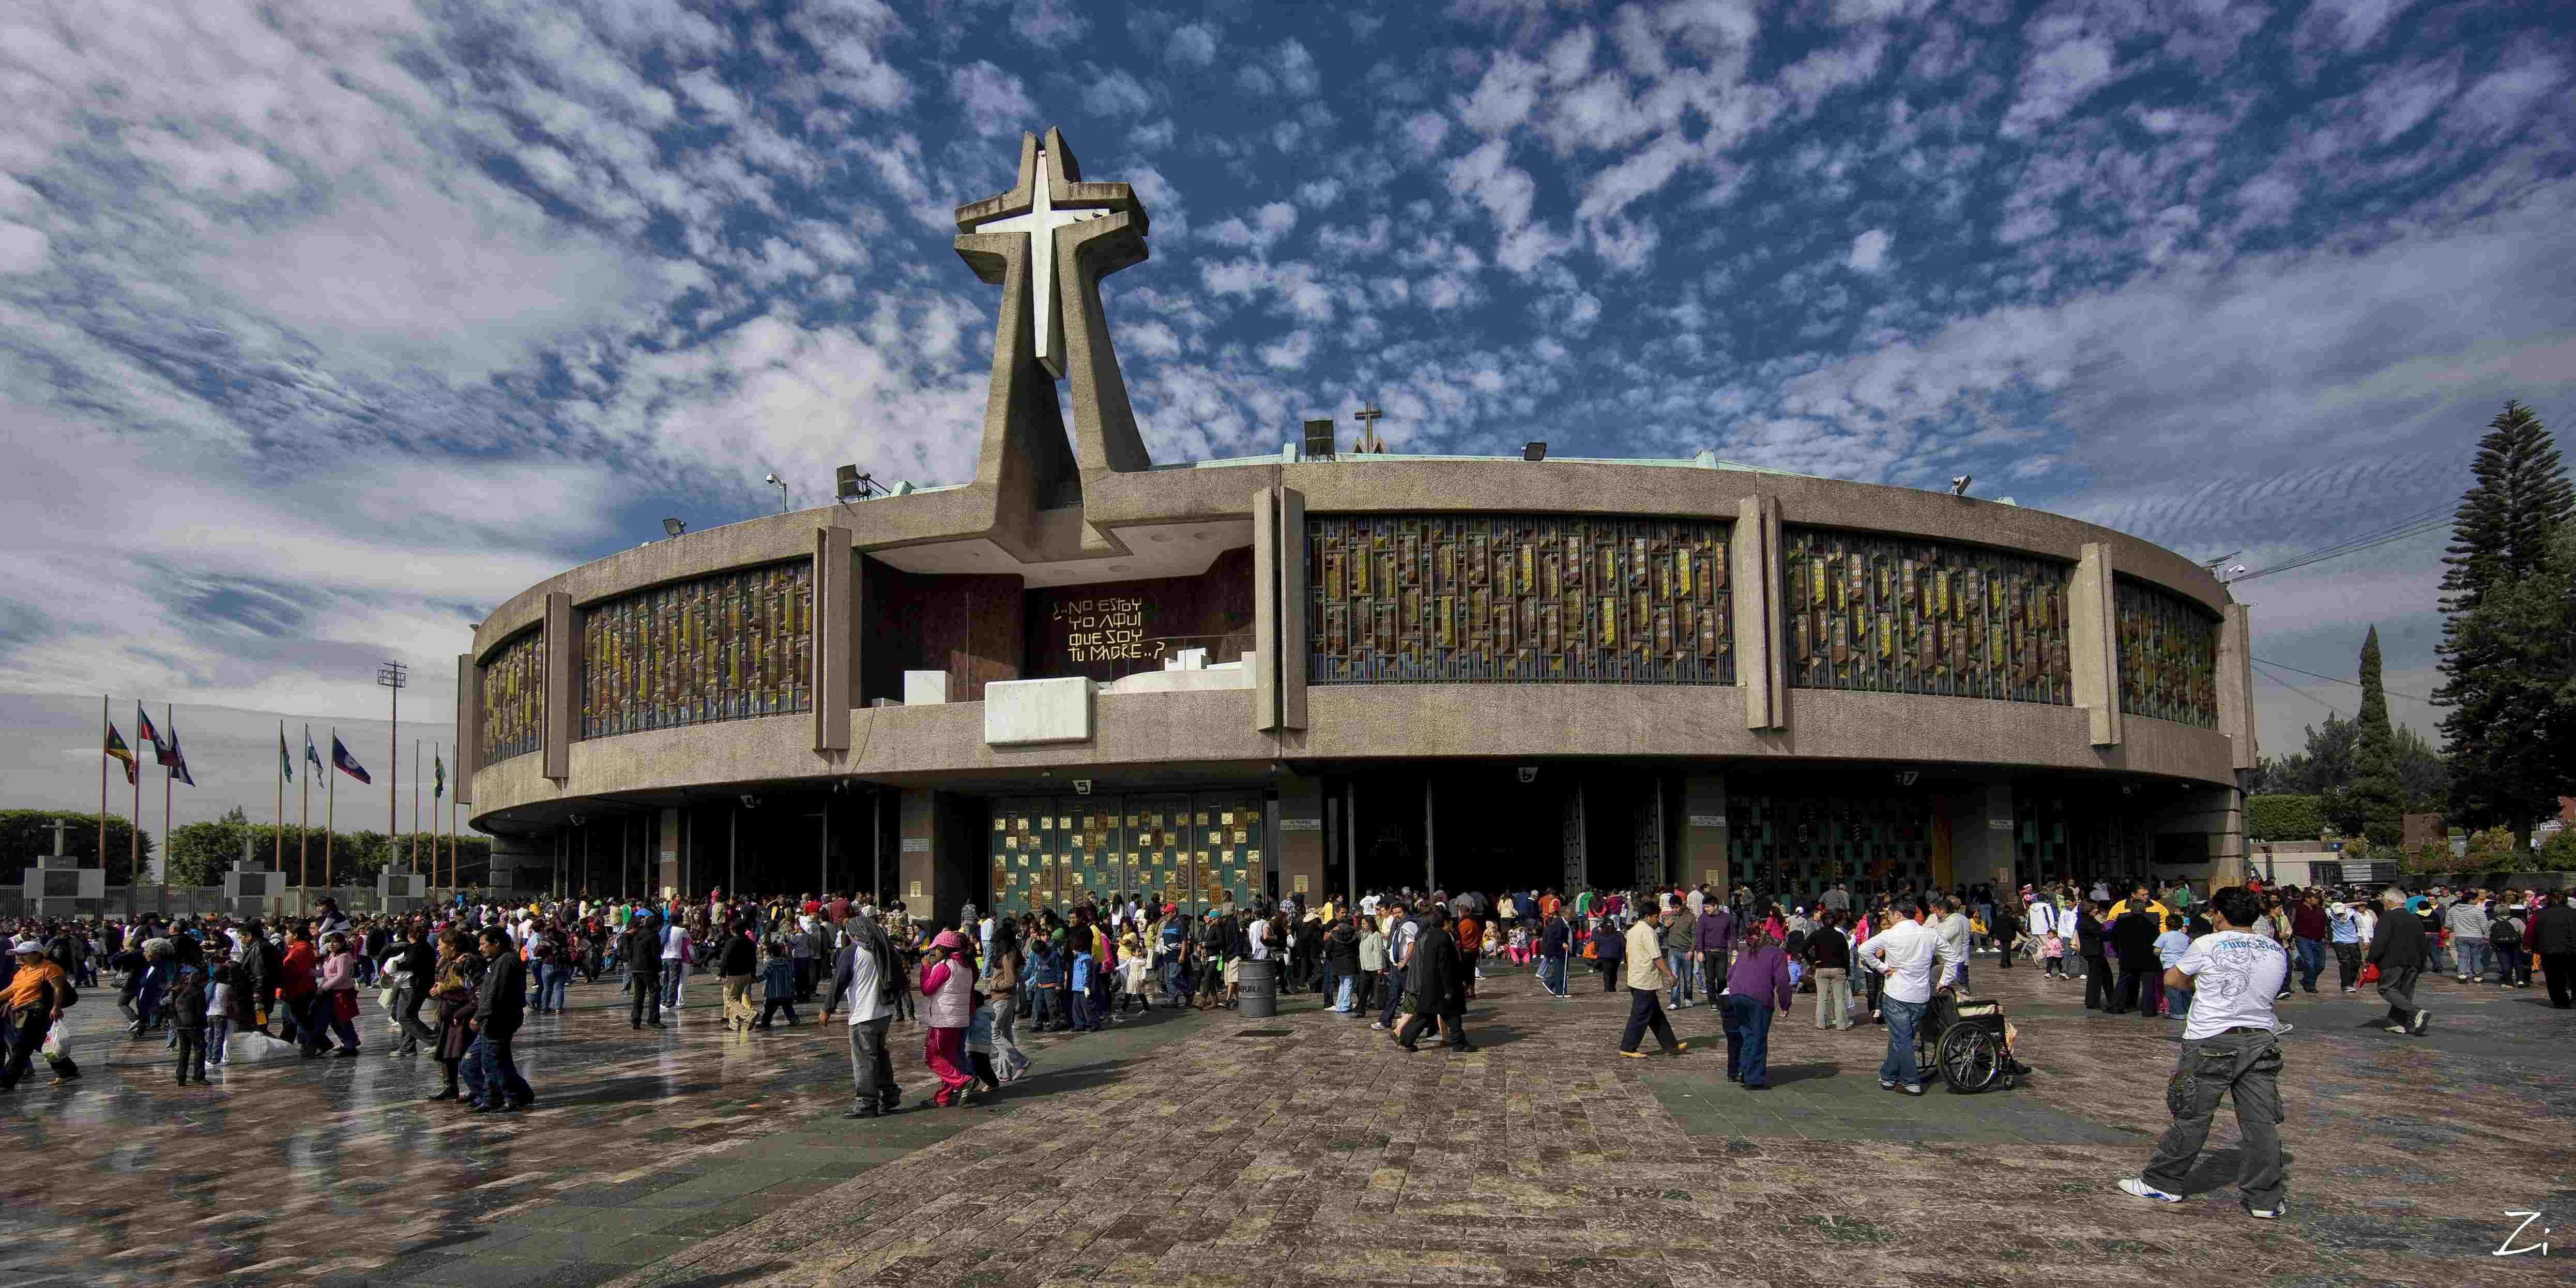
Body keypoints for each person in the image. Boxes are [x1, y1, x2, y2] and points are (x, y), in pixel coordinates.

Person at [2118, 886, 2290, 1220]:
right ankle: (2264, 1199)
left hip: (2211, 1040)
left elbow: (2173, 979)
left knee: (2193, 1116)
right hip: (2260, 1039)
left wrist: (2196, 986)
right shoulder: (2274, 948)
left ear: (2219, 915)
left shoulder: (2207, 943)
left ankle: (2163, 1181)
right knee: (2260, 1124)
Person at [1857, 898, 1956, 1096]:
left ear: (1898, 914)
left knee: (1902, 1039)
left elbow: (1864, 950)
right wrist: (1945, 980)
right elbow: (1953, 957)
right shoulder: (1929, 933)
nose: (1889, 918)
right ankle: (1888, 1076)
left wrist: (1882, 968)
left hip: (1897, 993)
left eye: (1890, 915)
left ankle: (1911, 1082)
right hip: (1920, 995)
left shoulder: (1890, 934)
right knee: (1902, 1037)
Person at [834, 910, 905, 1117]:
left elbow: (838, 982)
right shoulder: (885, 948)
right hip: (884, 1012)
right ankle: (889, 1093)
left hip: (863, 1014)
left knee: (864, 1060)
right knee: (879, 1055)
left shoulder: (853, 952)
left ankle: (866, 1103)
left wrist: (827, 1009)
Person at [462, 927, 534, 1113]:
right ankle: (494, 1098)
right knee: (492, 1061)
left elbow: (495, 994)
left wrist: (479, 1016)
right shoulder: (498, 961)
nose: (480, 949)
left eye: (484, 944)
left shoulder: (506, 961)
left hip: (499, 1021)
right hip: (492, 1021)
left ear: (497, 943)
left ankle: (513, 1097)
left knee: (495, 1062)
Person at [1, 937, 79, 1090]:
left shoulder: (49, 968)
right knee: (41, 1044)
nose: (19, 957)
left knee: (21, 1048)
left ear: (37, 954)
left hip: (36, 1012)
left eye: (23, 954)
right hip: (21, 1012)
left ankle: (7, 1082)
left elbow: (58, 989)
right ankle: (68, 1071)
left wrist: (56, 1007)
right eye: (18, 954)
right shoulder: (23, 971)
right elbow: (12, 989)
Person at [1723, 922, 1793, 1088]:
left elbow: (1729, 974)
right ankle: (1753, 1078)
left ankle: (1743, 1070)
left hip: (1736, 995)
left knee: (1749, 1035)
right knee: (1759, 1037)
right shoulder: (1777, 954)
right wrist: (1785, 1005)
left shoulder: (1745, 953)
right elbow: (1783, 982)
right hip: (1758, 997)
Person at [1395, 907, 1472, 1052]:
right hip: (1442, 986)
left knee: (1426, 1015)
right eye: (1451, 922)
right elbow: (1445, 966)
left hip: (1431, 984)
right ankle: (1459, 1043)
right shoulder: (1443, 938)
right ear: (1446, 922)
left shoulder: (1432, 936)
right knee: (1452, 1014)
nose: (1453, 924)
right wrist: (1449, 989)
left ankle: (1406, 1039)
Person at [1616, 905, 1687, 1059]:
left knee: (1656, 1015)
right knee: (1640, 1015)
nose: (1658, 920)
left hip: (1636, 977)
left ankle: (1670, 1045)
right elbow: (1656, 957)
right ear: (1648, 917)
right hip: (1645, 980)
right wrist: (1670, 974)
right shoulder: (1648, 932)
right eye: (1656, 917)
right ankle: (1628, 1047)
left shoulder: (1632, 931)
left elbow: (1628, 954)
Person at [918, 930, 977, 1108]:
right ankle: (942, 1098)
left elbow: (927, 989)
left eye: (936, 949)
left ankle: (963, 1080)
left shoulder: (945, 966)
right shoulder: (966, 967)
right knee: (949, 1059)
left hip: (943, 1020)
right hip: (959, 1020)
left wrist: (926, 970)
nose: (934, 952)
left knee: (931, 1057)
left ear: (944, 950)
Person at [2366, 887, 2431, 1035]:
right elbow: (2423, 943)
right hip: (2414, 961)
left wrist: (2371, 959)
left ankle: (2417, 1012)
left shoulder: (2388, 917)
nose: (2384, 905)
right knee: (2403, 993)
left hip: (2393, 961)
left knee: (2386, 988)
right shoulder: (2414, 917)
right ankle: (2396, 1023)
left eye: (2384, 902)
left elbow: (2381, 941)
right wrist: (2422, 964)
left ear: (2389, 902)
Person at [2111, 899, 2161, 1019]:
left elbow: (2114, 939)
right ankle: (2148, 1010)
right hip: (2147, 958)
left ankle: (2116, 1006)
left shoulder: (2122, 923)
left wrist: (2119, 952)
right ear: (2144, 909)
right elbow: (2157, 942)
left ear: (2131, 909)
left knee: (2123, 982)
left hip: (2128, 956)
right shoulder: (2151, 925)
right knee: (2148, 984)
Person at [1806, 909, 1852, 1030]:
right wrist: (1847, 971)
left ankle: (1821, 1024)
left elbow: (1804, 948)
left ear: (1822, 922)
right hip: (1839, 968)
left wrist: (1812, 961)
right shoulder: (1840, 936)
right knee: (1839, 999)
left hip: (1822, 967)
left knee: (1822, 998)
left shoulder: (1816, 934)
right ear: (1835, 922)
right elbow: (1846, 955)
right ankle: (1842, 1025)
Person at [2532, 889, 2576, 1009]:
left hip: (2550, 949)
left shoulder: (2540, 914)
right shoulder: (2574, 913)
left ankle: (2560, 1001)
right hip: (2572, 949)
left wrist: (2533, 947)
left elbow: (2533, 932)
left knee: (2554, 977)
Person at [622, 914, 663, 1030]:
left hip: (636, 968)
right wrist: (659, 969)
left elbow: (630, 951)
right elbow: (656, 954)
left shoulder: (638, 934)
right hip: (648, 968)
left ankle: (636, 1021)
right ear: (656, 926)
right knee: (654, 992)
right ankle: (653, 1019)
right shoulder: (654, 935)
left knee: (639, 994)